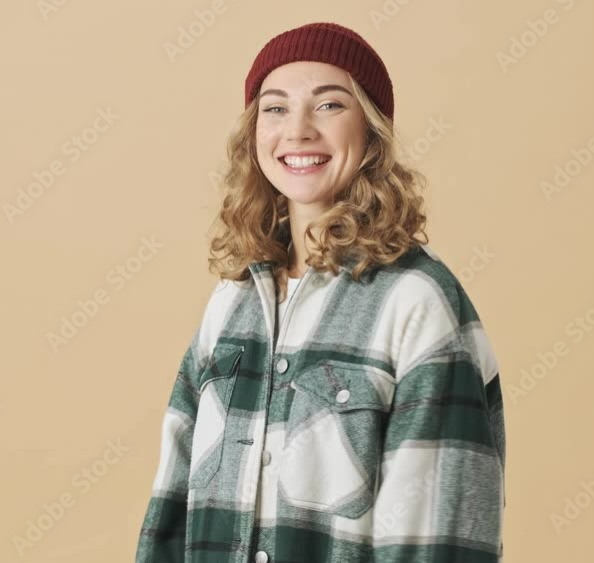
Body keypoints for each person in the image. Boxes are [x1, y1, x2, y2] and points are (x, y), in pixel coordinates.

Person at [135, 22, 506, 563]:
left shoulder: (417, 301)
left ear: (373, 131)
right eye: (276, 108)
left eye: (330, 106)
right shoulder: (231, 302)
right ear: (253, 133)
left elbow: (438, 541)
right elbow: (170, 510)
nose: (299, 130)